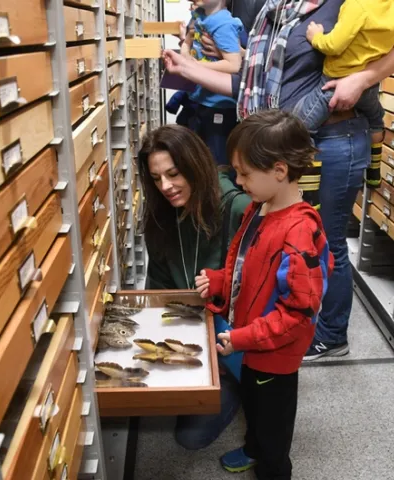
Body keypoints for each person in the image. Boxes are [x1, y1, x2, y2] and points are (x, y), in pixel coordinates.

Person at [163, 0, 391, 360]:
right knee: (285, 240)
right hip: (277, 146)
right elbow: (245, 83)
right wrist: (188, 68)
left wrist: (364, 78)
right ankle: (285, 322)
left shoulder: (339, 5)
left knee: (324, 242)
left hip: (334, 138)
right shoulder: (272, 11)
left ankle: (331, 335)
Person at [195, 110, 334, 478]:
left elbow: (296, 314)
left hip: (273, 353)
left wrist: (242, 337)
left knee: (273, 422)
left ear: (278, 170)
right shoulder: (259, 207)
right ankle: (254, 447)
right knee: (254, 406)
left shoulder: (299, 233)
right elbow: (245, 266)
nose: (237, 182)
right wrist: (220, 281)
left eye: (244, 173)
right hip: (251, 342)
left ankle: (272, 465)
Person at [138, 124, 251, 449]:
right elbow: (157, 291)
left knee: (191, 437)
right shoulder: (160, 219)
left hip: (233, 341)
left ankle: (239, 386)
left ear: (194, 166)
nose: (166, 186)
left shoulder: (238, 209)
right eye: (157, 178)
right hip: (189, 332)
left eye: (174, 174)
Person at [293, 0, 394, 189]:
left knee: (300, 127)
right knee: (376, 119)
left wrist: (315, 37)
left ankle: (309, 196)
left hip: (335, 84)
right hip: (367, 86)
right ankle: (373, 172)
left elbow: (333, 45)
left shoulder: (357, 5)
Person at [179, 0, 246, 167]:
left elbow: (233, 64)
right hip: (200, 101)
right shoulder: (199, 17)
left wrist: (193, 66)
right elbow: (187, 44)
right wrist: (185, 55)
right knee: (198, 161)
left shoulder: (222, 23)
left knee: (218, 165)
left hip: (219, 107)